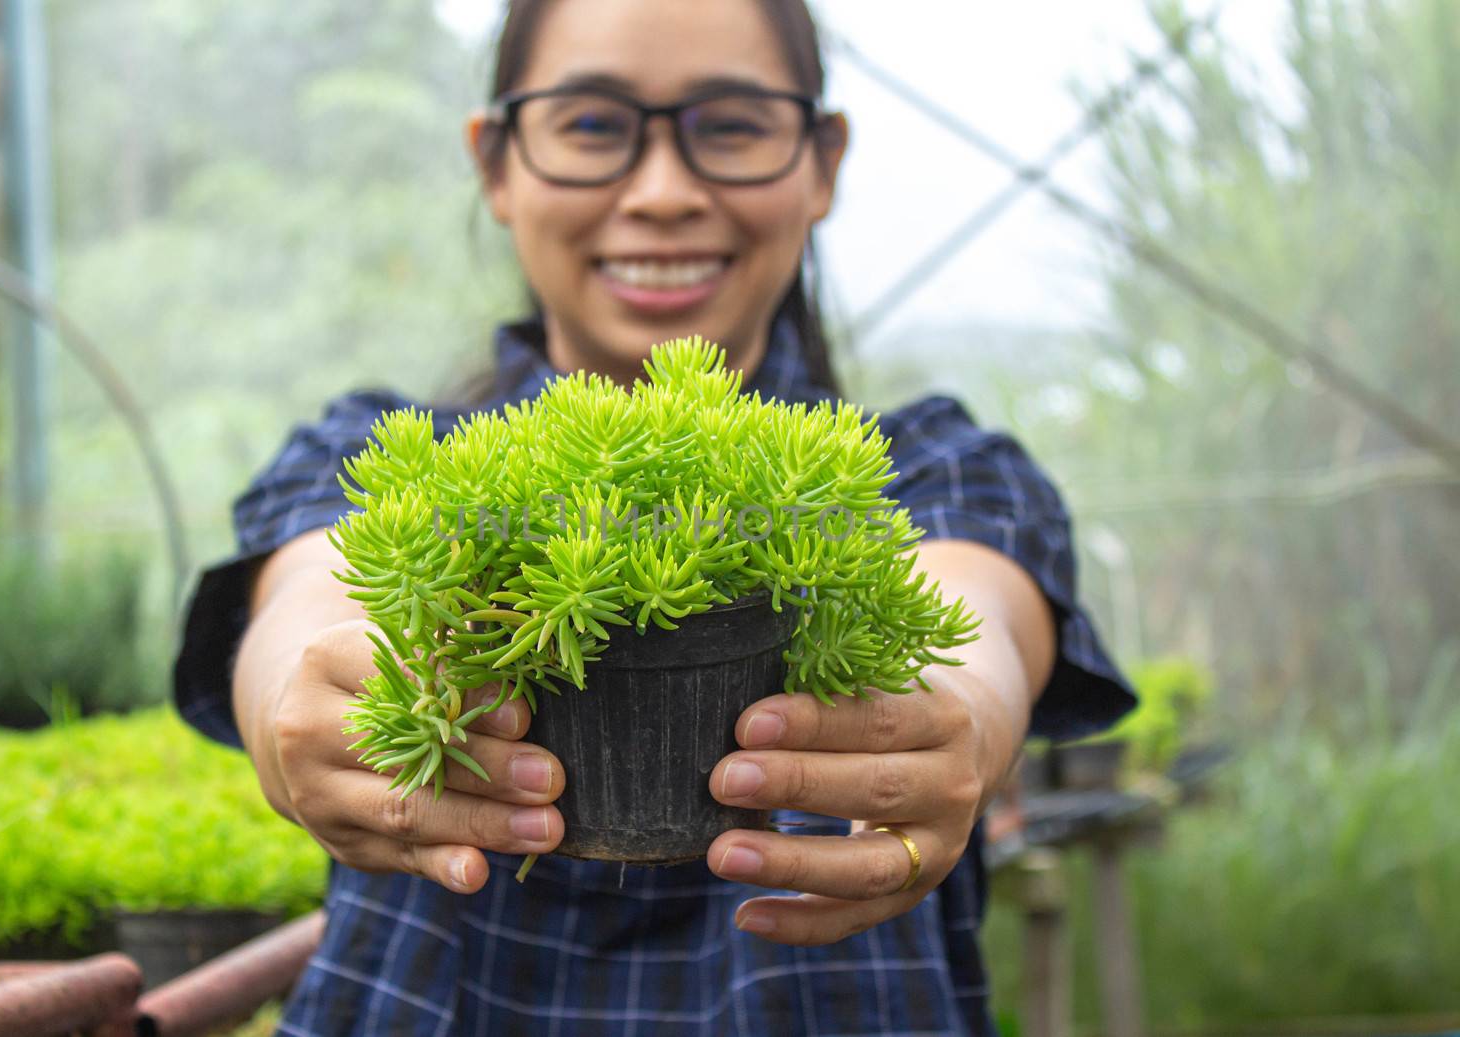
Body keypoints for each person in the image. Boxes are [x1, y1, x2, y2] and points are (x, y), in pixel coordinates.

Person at [173, 0, 1137, 1033]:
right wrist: (314, 691)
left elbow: (971, 621)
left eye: (729, 126)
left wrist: (953, 723)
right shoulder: (389, 461)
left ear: (821, 162)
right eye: (592, 126)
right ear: (496, 164)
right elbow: (312, 598)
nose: (664, 192)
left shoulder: (929, 472)